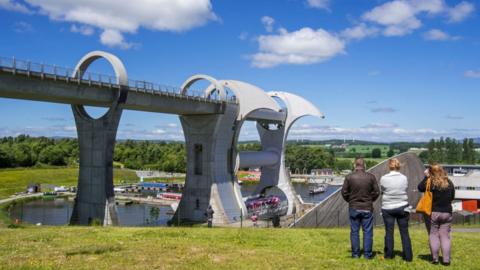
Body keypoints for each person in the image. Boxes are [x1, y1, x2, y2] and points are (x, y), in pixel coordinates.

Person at [341, 158, 380, 259]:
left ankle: (355, 254)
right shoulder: (371, 177)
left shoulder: (349, 177)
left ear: (355, 165)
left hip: (354, 207)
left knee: (354, 231)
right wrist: (370, 200)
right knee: (367, 231)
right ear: (364, 165)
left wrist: (350, 201)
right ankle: (367, 255)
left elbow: (344, 192)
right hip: (367, 207)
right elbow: (376, 192)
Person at [418, 164, 455, 266]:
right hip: (447, 212)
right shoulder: (449, 182)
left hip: (434, 212)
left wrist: (426, 176)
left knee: (433, 235)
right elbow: (452, 196)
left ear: (431, 172)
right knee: (445, 236)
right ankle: (446, 260)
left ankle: (435, 259)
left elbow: (420, 187)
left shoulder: (430, 182)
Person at [380, 158, 412, 262]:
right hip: (402, 206)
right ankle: (408, 256)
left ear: (389, 166)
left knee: (389, 232)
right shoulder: (404, 178)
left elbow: (382, 190)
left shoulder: (384, 178)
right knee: (404, 232)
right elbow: (405, 189)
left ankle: (388, 255)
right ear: (399, 166)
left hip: (388, 207)